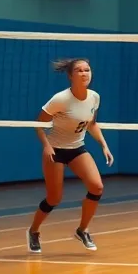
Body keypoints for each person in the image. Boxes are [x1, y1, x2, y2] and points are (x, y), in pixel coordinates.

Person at [26, 58, 114, 253]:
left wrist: (104, 146)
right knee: (54, 198)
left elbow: (91, 124)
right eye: (79, 71)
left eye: (87, 70)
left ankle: (82, 230)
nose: (84, 74)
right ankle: (33, 231)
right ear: (70, 76)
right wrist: (47, 146)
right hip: (55, 150)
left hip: (77, 148)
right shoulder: (60, 99)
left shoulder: (94, 97)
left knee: (97, 187)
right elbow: (39, 125)